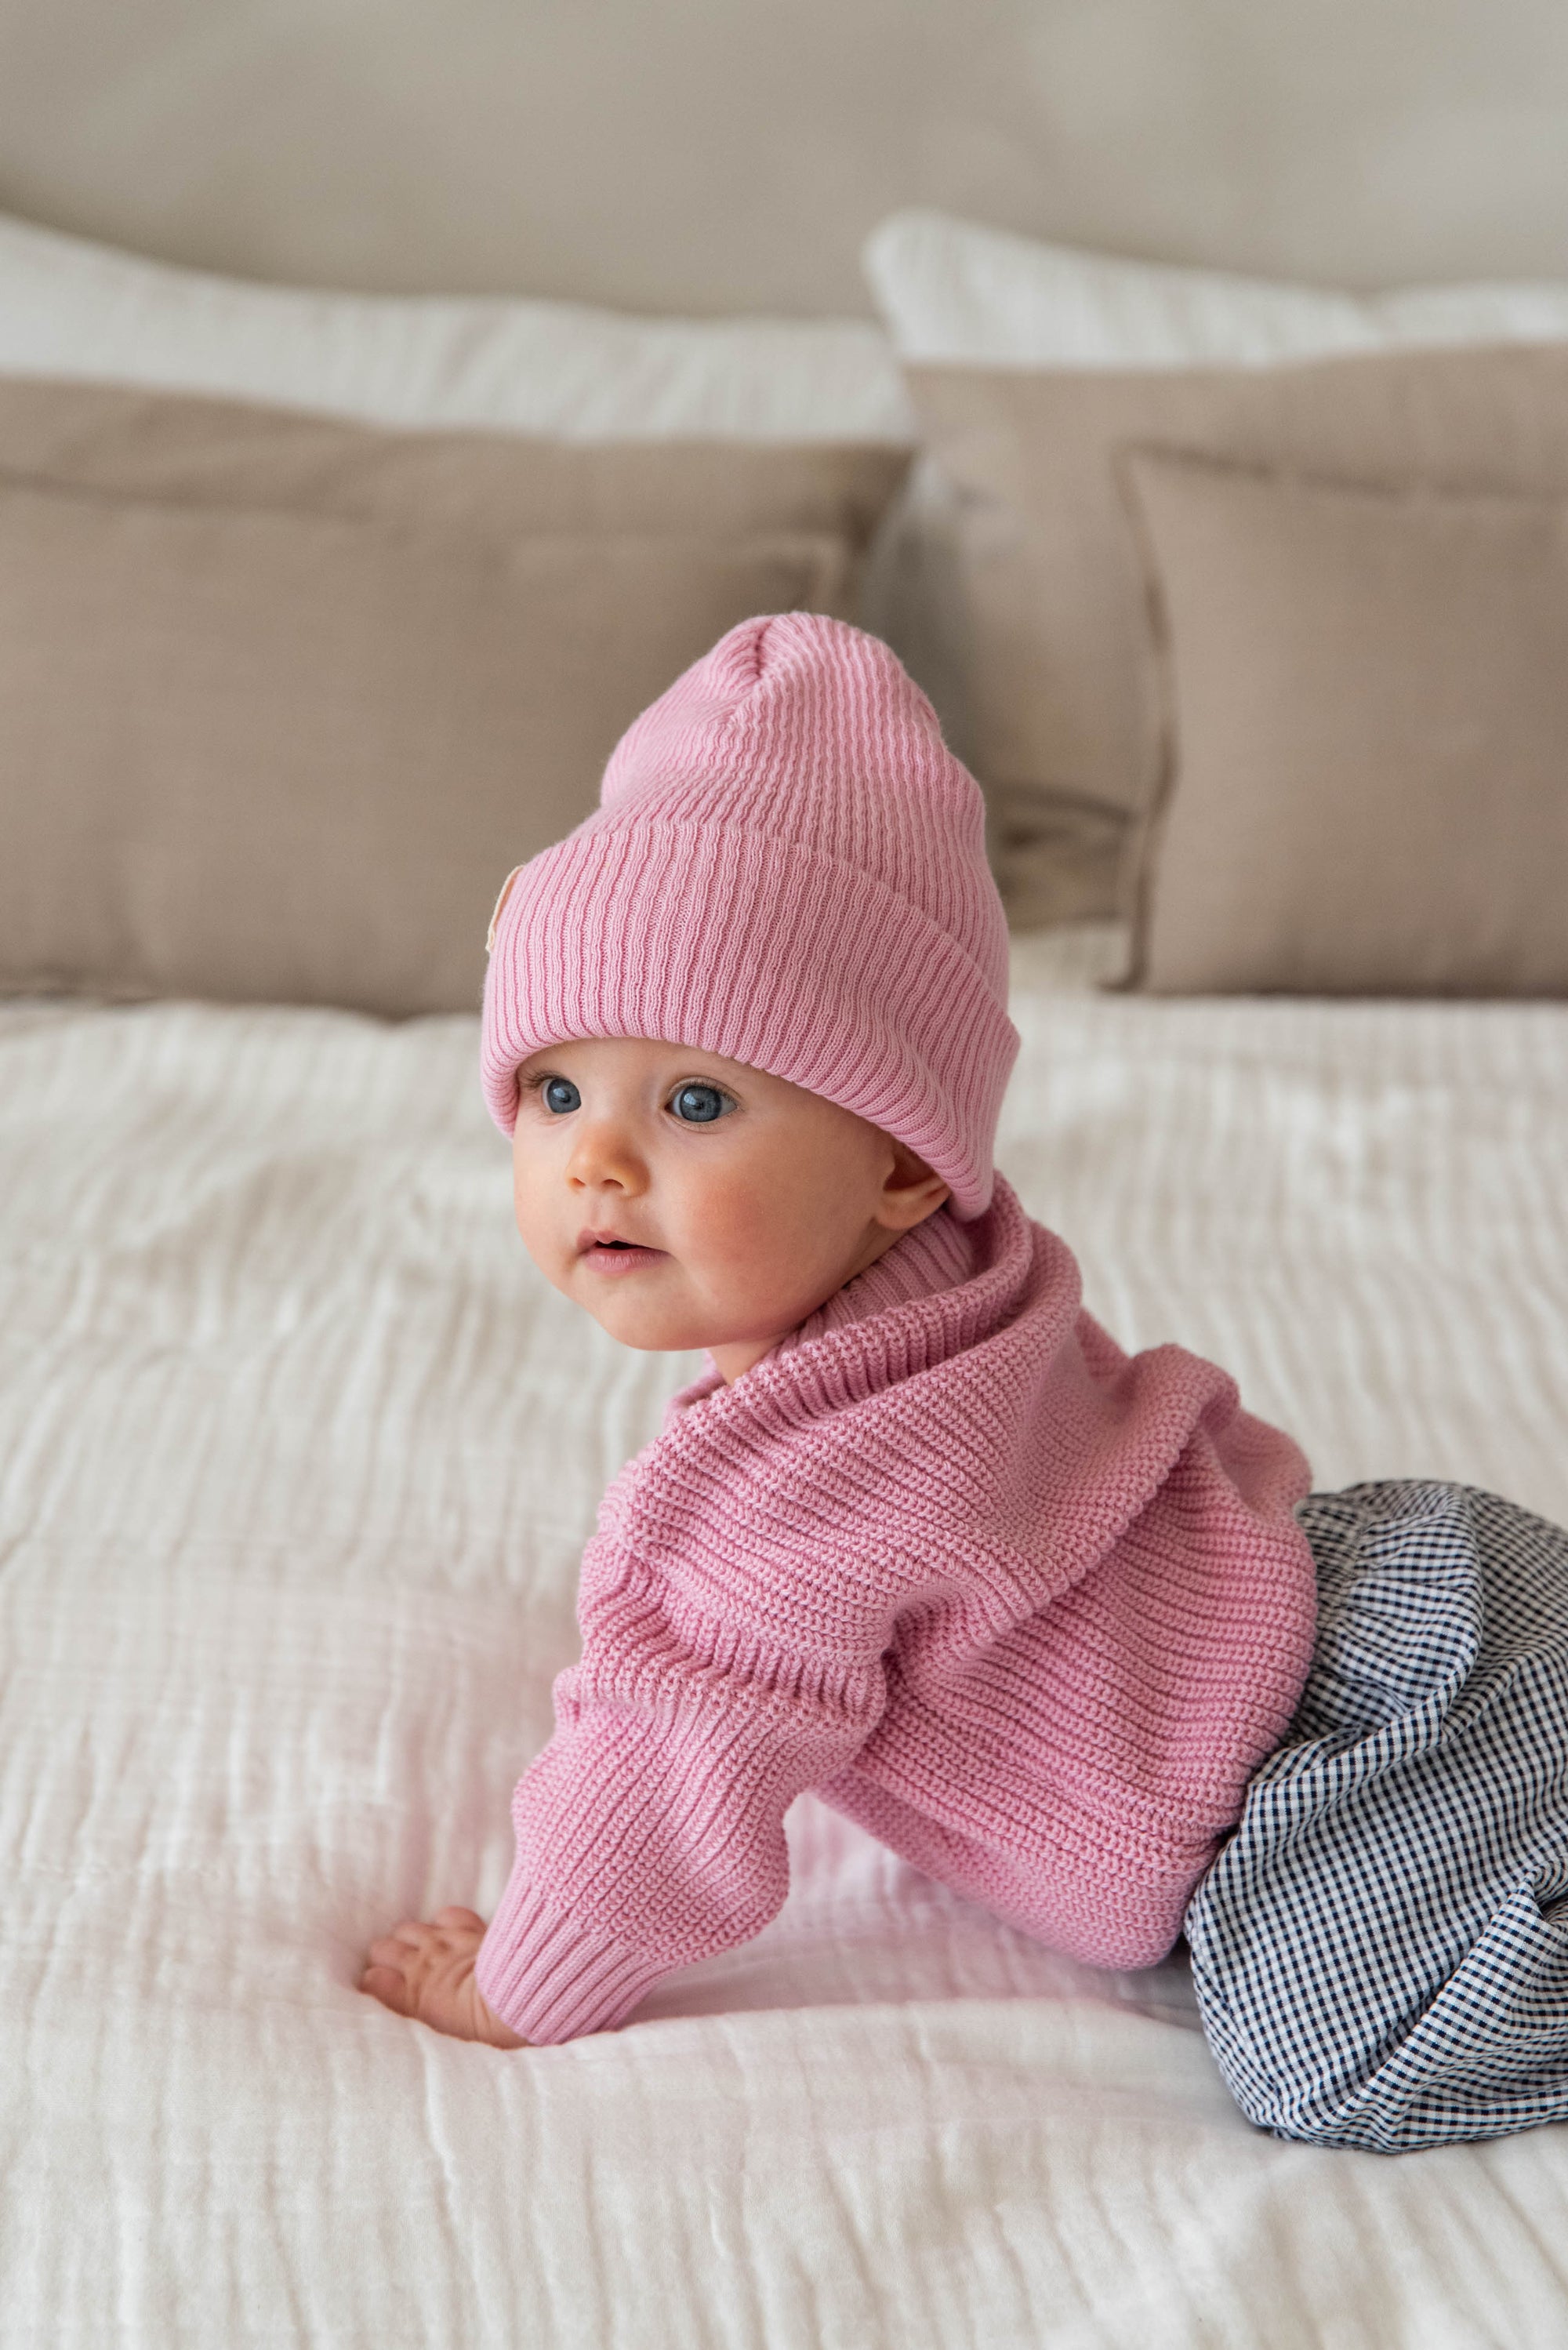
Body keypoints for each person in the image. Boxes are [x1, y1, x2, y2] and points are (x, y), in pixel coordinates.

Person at [359, 614, 1568, 2153]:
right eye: (553, 1087)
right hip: (1428, 1586)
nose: (595, 1157)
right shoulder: (958, 1302)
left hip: (1355, 1758)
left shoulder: (788, 1503)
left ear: (903, 1167)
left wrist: (522, 1984)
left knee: (1328, 2057)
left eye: (696, 1100)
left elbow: (666, 1775)